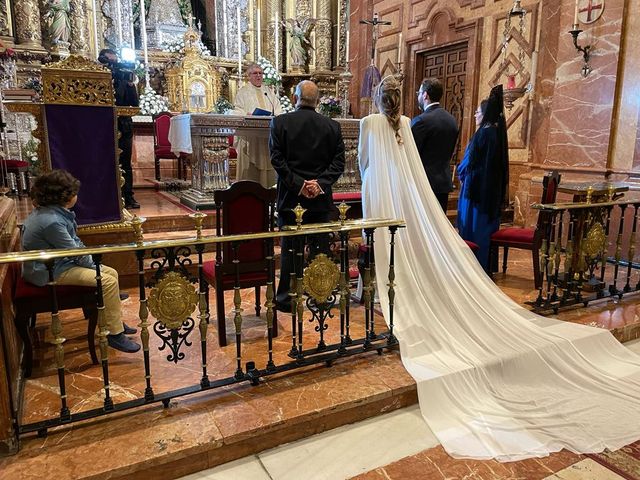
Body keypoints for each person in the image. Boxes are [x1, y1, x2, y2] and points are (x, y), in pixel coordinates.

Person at [359, 76, 640, 461]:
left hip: (381, 188)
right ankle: (407, 282)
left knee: (386, 240)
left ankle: (391, 289)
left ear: (377, 99)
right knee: (409, 240)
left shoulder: (370, 123)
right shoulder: (409, 122)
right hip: (411, 190)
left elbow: (363, 162)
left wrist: (374, 181)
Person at [22, 170, 140, 353]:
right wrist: (94, 266)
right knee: (106, 280)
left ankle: (113, 321)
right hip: (47, 271)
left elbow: (75, 243)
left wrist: (94, 264)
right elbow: (75, 251)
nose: (77, 196)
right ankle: (114, 335)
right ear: (64, 196)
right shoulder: (51, 221)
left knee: (111, 273)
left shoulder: (54, 213)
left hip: (57, 263)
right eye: (74, 193)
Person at [269, 80, 345, 312]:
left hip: (291, 199)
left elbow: (277, 159)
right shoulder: (332, 126)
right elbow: (338, 163)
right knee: (320, 249)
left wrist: (299, 185)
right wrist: (319, 184)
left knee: (290, 249)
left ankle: (287, 298)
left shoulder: (280, 123)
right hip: (320, 200)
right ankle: (320, 295)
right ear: (318, 101)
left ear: (295, 98)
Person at [457, 91, 509, 272]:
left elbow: (468, 163)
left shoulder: (482, 134)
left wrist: (460, 173)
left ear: (485, 113)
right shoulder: (497, 134)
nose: (475, 115)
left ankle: (471, 268)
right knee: (486, 230)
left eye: (478, 112)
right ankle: (486, 266)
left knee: (472, 229)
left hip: (475, 193)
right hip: (491, 193)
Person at [98, 48, 140, 210]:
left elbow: (134, 104)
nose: (113, 66)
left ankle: (127, 196)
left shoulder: (124, 79)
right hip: (103, 126)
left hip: (123, 125)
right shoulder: (97, 78)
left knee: (125, 163)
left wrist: (130, 85)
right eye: (110, 62)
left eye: (115, 62)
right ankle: (105, 197)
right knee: (103, 161)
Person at [410, 78, 459, 213]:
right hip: (443, 181)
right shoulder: (451, 120)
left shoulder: (421, 121)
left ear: (425, 95)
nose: (418, 96)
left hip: (424, 183)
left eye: (419, 93)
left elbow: (411, 153)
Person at [233, 63, 283, 188]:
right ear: (249, 76)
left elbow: (278, 109)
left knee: (268, 160)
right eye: (255, 73)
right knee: (250, 170)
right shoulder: (243, 92)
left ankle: (268, 190)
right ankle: (248, 190)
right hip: (250, 136)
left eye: (260, 73)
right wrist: (247, 114)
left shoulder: (269, 92)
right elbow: (237, 110)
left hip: (267, 135)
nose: (258, 75)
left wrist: (275, 115)